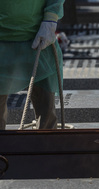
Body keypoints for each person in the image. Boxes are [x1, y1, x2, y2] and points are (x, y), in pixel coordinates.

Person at [0, 0, 65, 130]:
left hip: (38, 37)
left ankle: (46, 147)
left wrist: (50, 19)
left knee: (46, 109)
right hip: (3, 40)